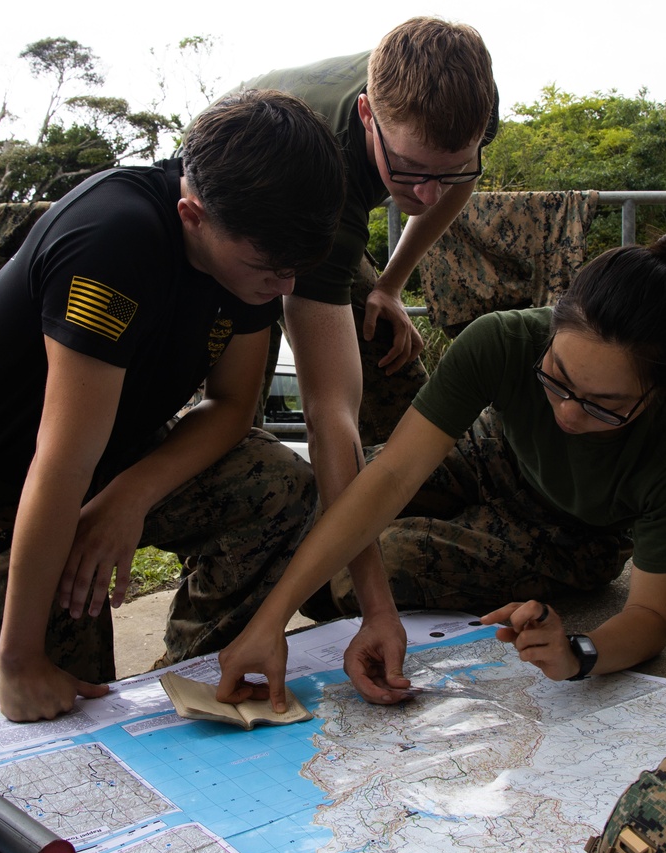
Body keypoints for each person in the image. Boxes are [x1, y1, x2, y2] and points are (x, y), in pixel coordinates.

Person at [0, 90, 346, 724]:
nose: (287, 286)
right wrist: (20, 659)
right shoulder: (114, 240)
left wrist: (129, 498)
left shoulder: (253, 249)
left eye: (299, 268)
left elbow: (231, 408)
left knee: (276, 486)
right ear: (192, 214)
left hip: (104, 465)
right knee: (35, 704)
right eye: (270, 269)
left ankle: (198, 675)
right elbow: (62, 458)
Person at [215, 233, 666, 709]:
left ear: (662, 390)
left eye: (606, 407)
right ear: (551, 328)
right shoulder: (503, 340)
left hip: (567, 537)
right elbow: (390, 477)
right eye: (556, 379)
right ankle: (210, 657)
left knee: (380, 564)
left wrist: (577, 653)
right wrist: (272, 619)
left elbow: (652, 616)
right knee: (314, 495)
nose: (567, 414)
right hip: (485, 458)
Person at [157, 16, 500, 682]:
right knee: (236, 443)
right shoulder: (331, 175)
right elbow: (328, 413)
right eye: (408, 171)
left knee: (399, 372)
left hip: (327, 200)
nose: (426, 192)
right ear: (369, 116)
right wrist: (378, 609)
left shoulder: (466, 110)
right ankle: (228, 612)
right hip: (248, 196)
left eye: (449, 169)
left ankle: (353, 554)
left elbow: (448, 192)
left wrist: (393, 285)